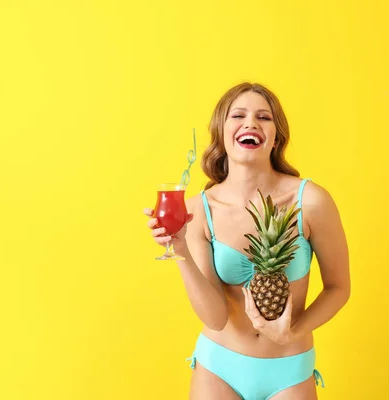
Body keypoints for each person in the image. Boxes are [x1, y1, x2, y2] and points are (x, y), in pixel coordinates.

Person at [143, 82, 350, 399]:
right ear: (222, 134)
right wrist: (180, 248)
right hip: (219, 367)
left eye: (264, 118)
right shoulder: (200, 209)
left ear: (276, 138)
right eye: (238, 115)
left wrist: (293, 330)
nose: (251, 123)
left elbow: (339, 287)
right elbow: (215, 317)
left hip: (289, 369)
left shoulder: (310, 201)